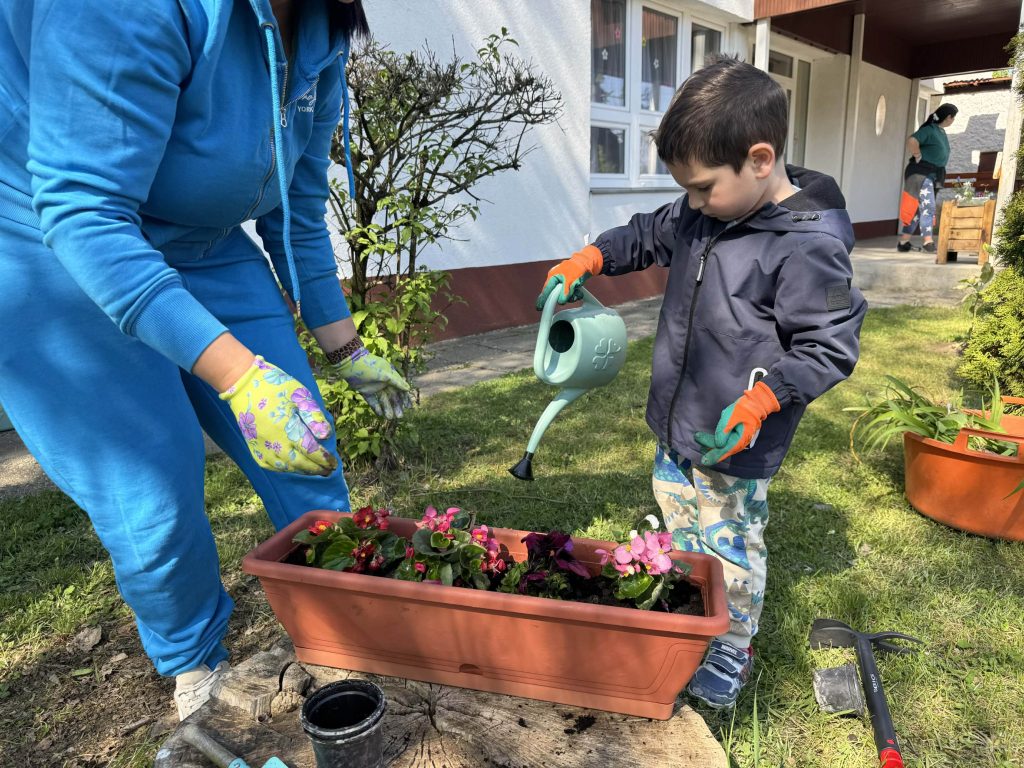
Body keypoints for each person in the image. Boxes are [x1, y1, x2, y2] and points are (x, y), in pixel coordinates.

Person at [0, 0, 412, 719]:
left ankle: (343, 628)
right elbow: (83, 212)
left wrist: (347, 351)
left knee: (305, 442)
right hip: (49, 238)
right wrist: (241, 376)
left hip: (204, 240)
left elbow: (295, 212)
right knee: (153, 491)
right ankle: (198, 671)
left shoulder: (322, 32)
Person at [536, 56, 867, 709]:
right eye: (684, 189)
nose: (690, 203)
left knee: (731, 541)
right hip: (679, 420)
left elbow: (830, 343)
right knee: (683, 524)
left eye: (703, 187)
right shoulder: (702, 211)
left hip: (740, 435)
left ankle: (730, 643)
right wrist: (593, 256)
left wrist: (767, 396)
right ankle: (692, 608)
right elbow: (648, 233)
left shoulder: (806, 243)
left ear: (760, 160)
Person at [897, 103, 958, 253]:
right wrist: (917, 155)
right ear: (948, 117)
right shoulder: (929, 130)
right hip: (921, 173)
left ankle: (904, 241)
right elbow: (912, 140)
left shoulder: (940, 131)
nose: (953, 120)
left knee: (921, 209)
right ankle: (927, 241)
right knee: (928, 206)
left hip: (933, 174)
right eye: (953, 117)